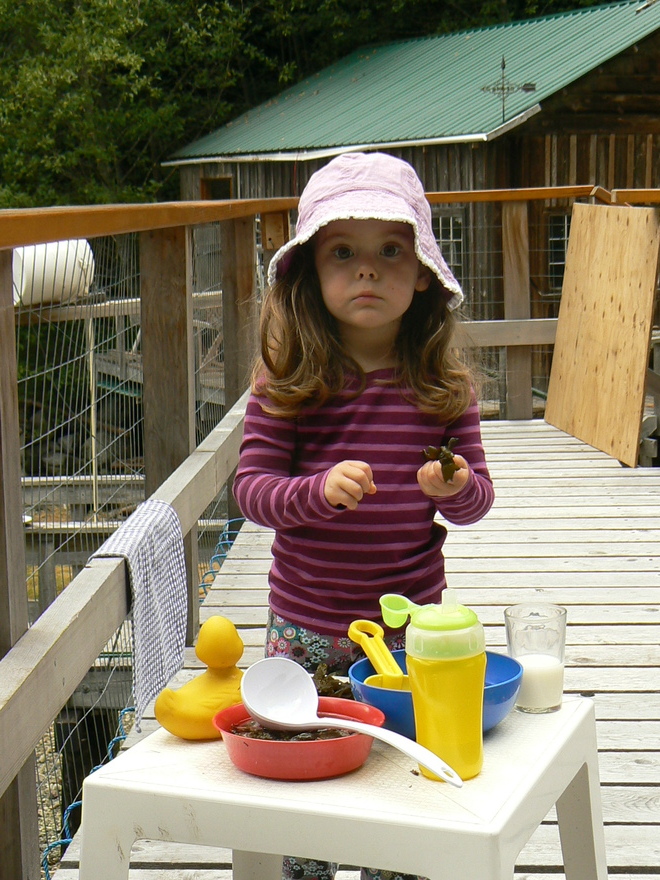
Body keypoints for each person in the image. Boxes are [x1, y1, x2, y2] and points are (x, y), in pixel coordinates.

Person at [233, 151, 494, 880]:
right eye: (342, 253)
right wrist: (315, 491)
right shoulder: (288, 380)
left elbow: (478, 502)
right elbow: (251, 491)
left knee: (402, 780)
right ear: (310, 273)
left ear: (423, 272)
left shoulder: (444, 386)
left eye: (391, 252)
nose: (368, 271)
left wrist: (454, 487)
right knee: (307, 785)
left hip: (411, 632)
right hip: (306, 629)